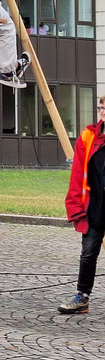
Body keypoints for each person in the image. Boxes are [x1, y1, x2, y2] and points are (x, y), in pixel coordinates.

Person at [58, 96, 105, 314]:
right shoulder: (88, 136)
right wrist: (76, 205)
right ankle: (82, 296)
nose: (102, 112)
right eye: (100, 108)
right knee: (88, 254)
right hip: (95, 206)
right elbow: (77, 174)